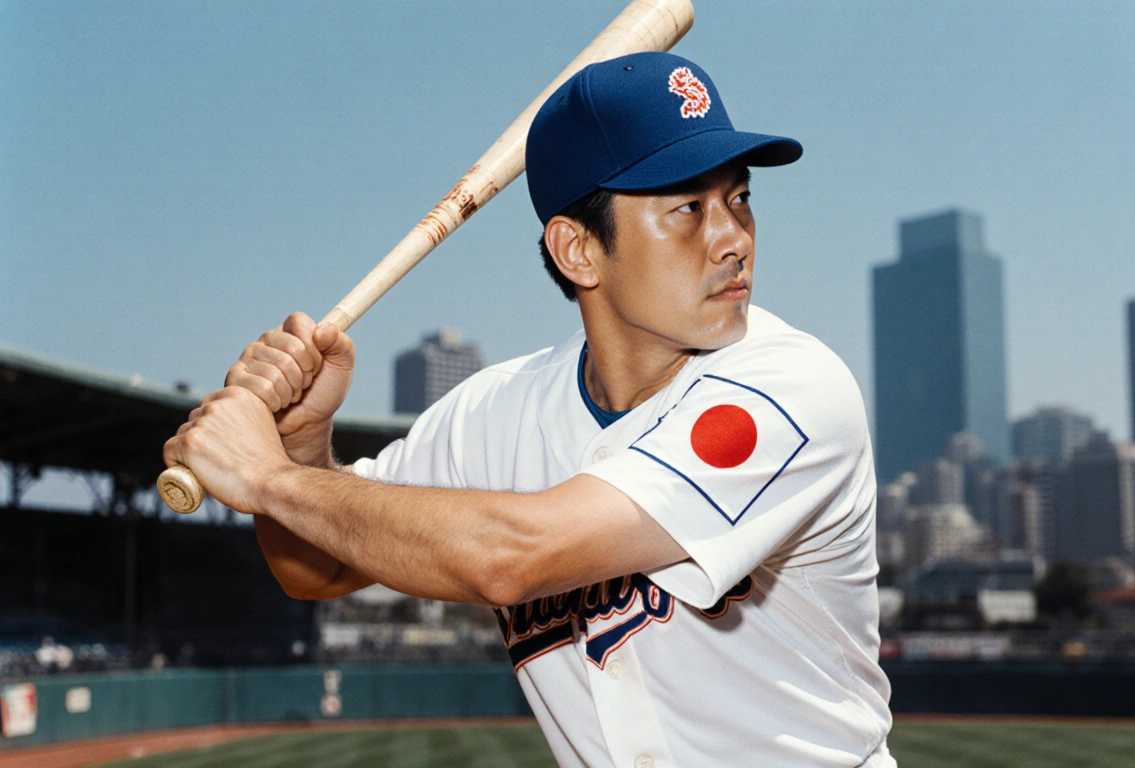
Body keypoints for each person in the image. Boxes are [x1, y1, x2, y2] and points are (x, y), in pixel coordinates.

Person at [165, 52, 896, 768]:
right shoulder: (493, 411)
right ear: (578, 251)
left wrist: (265, 476)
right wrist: (299, 440)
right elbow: (316, 569)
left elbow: (510, 558)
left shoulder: (791, 387)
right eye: (688, 209)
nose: (734, 238)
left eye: (739, 198)